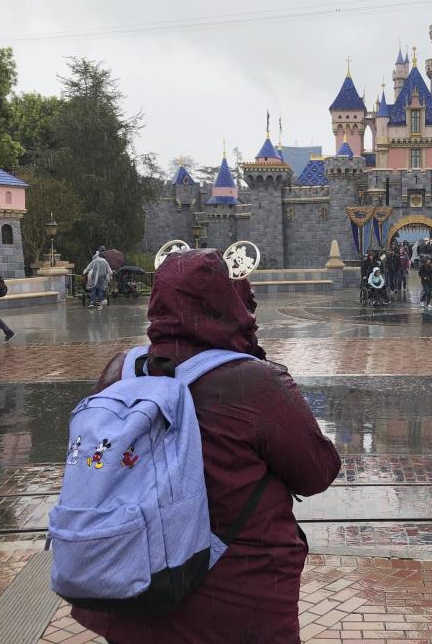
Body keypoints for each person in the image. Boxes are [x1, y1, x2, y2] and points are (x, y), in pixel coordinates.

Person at [71, 248, 341, 643]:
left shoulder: (120, 371)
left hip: (131, 583)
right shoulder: (254, 381)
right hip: (237, 597)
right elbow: (317, 472)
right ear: (230, 300)